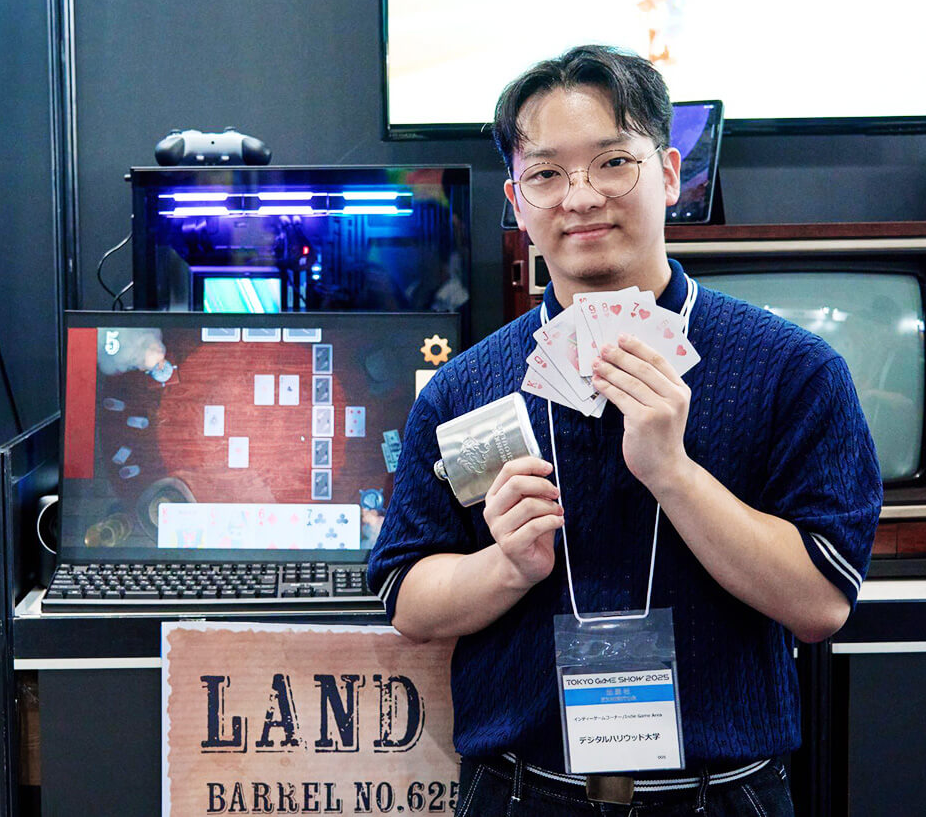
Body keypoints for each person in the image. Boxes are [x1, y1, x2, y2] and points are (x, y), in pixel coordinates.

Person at [367, 45, 880, 815]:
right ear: (517, 201)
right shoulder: (465, 388)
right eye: (546, 174)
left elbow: (821, 602)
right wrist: (507, 565)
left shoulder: (792, 370)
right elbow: (406, 595)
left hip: (722, 795)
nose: (580, 197)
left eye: (613, 163)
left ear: (669, 173)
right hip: (520, 792)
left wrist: (674, 472)